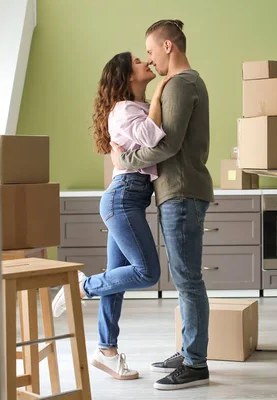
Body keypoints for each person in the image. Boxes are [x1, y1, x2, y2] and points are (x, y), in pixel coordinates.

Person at [52, 51, 172, 381]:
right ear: (126, 76)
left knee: (116, 280)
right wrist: (160, 92)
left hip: (129, 198)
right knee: (147, 272)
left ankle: (106, 350)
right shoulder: (124, 109)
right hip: (123, 198)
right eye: (137, 60)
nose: (145, 62)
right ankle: (83, 287)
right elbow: (152, 138)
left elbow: (144, 146)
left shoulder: (134, 108)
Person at [110, 19, 214, 391]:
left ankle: (196, 363)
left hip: (182, 190)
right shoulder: (182, 84)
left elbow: (166, 145)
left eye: (151, 52)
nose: (151, 61)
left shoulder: (179, 84)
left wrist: (125, 161)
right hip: (180, 189)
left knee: (187, 279)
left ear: (168, 46)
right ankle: (189, 352)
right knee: (184, 278)